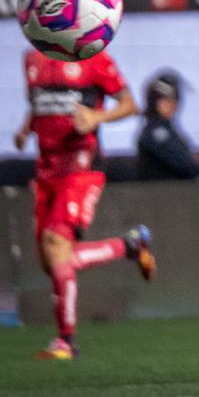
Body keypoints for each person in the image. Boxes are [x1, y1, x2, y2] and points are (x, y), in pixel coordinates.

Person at [14, 46, 155, 360]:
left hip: (82, 167)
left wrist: (97, 116)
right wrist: (25, 130)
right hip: (46, 171)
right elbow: (39, 106)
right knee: (51, 261)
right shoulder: (32, 59)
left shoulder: (93, 58)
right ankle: (129, 245)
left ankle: (66, 341)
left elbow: (130, 104)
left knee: (55, 244)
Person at [136, 71, 199, 183]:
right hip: (163, 195)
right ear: (156, 102)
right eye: (167, 101)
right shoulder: (155, 133)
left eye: (175, 101)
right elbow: (182, 162)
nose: (174, 105)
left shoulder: (169, 130)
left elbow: (189, 158)